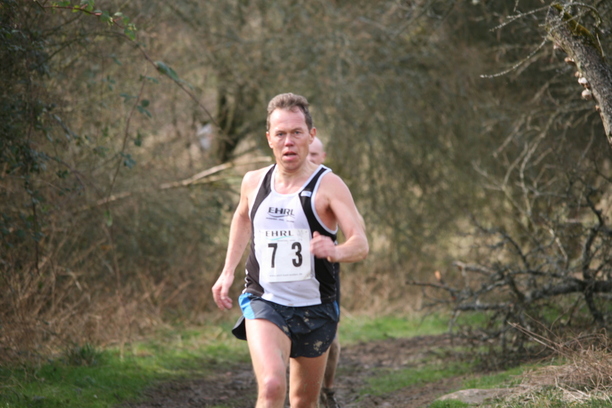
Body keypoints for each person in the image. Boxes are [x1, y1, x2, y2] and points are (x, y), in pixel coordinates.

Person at [212, 93, 368, 408]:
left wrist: (336, 251)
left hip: (315, 307)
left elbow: (360, 244)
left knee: (302, 402)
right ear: (269, 138)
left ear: (311, 135)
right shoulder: (253, 182)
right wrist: (227, 271)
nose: (288, 142)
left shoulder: (329, 185)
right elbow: (242, 217)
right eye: (280, 133)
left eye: (297, 132)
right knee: (271, 386)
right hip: (265, 300)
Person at [308, 137, 341, 408]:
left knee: (332, 340)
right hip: (284, 279)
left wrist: (336, 250)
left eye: (314, 154)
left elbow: (357, 231)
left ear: (323, 156)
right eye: (306, 153)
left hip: (325, 277)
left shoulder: (331, 186)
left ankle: (328, 392)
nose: (309, 159)